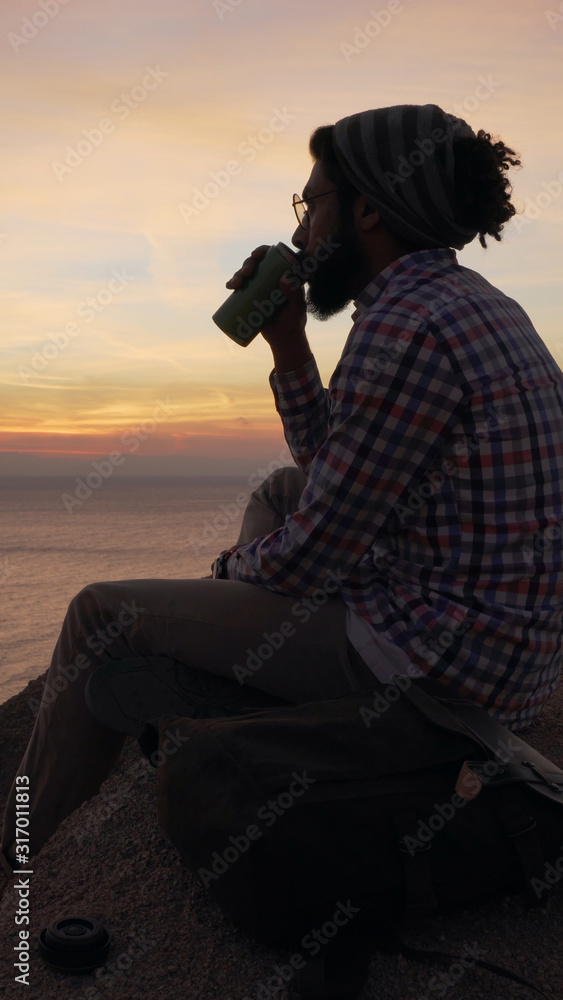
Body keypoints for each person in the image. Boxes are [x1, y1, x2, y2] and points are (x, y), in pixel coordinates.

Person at [2, 103, 562, 894]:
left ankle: (21, 866)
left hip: (440, 671)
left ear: (368, 209)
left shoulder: (403, 329)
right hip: (502, 645)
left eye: (311, 203)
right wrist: (289, 341)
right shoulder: (472, 304)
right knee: (281, 489)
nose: (299, 232)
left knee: (99, 611)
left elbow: (311, 556)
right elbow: (332, 468)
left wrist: (229, 574)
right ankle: (245, 664)